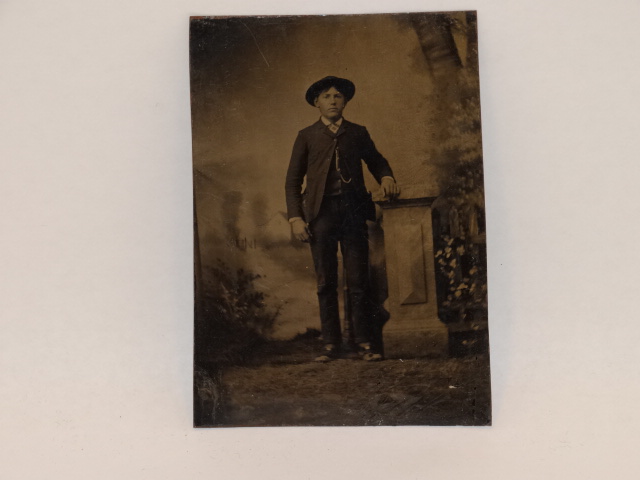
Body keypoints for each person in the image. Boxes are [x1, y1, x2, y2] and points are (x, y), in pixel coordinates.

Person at [285, 76, 399, 362]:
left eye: (338, 96)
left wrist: (386, 177)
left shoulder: (358, 133)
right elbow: (292, 182)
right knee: (326, 282)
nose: (333, 100)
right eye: (326, 96)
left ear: (345, 101)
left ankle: (363, 342)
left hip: (353, 213)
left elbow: (377, 161)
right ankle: (330, 344)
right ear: (316, 103)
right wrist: (296, 219)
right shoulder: (306, 136)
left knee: (359, 280)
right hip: (320, 215)